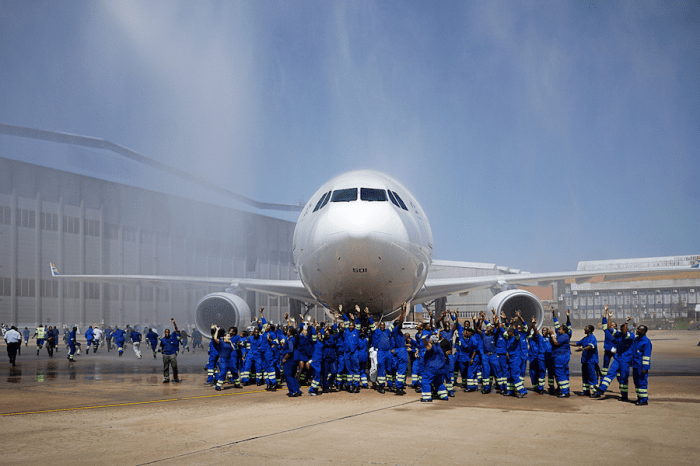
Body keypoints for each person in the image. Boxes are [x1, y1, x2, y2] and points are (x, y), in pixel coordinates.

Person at [571, 324, 599, 397]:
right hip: (584, 361)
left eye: (586, 328)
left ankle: (596, 392)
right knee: (585, 376)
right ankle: (586, 391)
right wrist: (567, 343)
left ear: (590, 330)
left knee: (592, 376)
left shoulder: (592, 338)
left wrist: (583, 349)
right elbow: (577, 343)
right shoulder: (585, 338)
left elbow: (591, 346)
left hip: (590, 361)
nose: (584, 329)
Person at [550, 309, 571, 398]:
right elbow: (556, 323)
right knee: (563, 374)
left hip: (561, 357)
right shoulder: (561, 335)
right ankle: (565, 389)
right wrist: (553, 313)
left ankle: (565, 391)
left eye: (560, 329)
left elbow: (556, 343)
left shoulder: (565, 335)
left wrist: (552, 335)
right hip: (560, 356)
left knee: (560, 374)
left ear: (564, 330)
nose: (558, 330)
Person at [631, 324, 652, 406]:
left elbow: (646, 356)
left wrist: (644, 368)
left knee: (642, 382)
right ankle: (639, 397)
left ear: (643, 332)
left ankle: (643, 400)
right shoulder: (636, 340)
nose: (637, 330)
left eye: (639, 329)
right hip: (635, 365)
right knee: (636, 383)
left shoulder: (646, 342)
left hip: (641, 366)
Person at [160, 318, 181, 383]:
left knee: (174, 366)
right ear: (164, 333)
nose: (167, 333)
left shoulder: (172, 336)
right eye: (166, 332)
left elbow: (176, 329)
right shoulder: (162, 339)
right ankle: (166, 378)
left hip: (172, 354)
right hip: (166, 354)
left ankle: (175, 378)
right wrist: (162, 351)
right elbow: (161, 346)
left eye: (168, 332)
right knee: (166, 367)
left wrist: (174, 322)